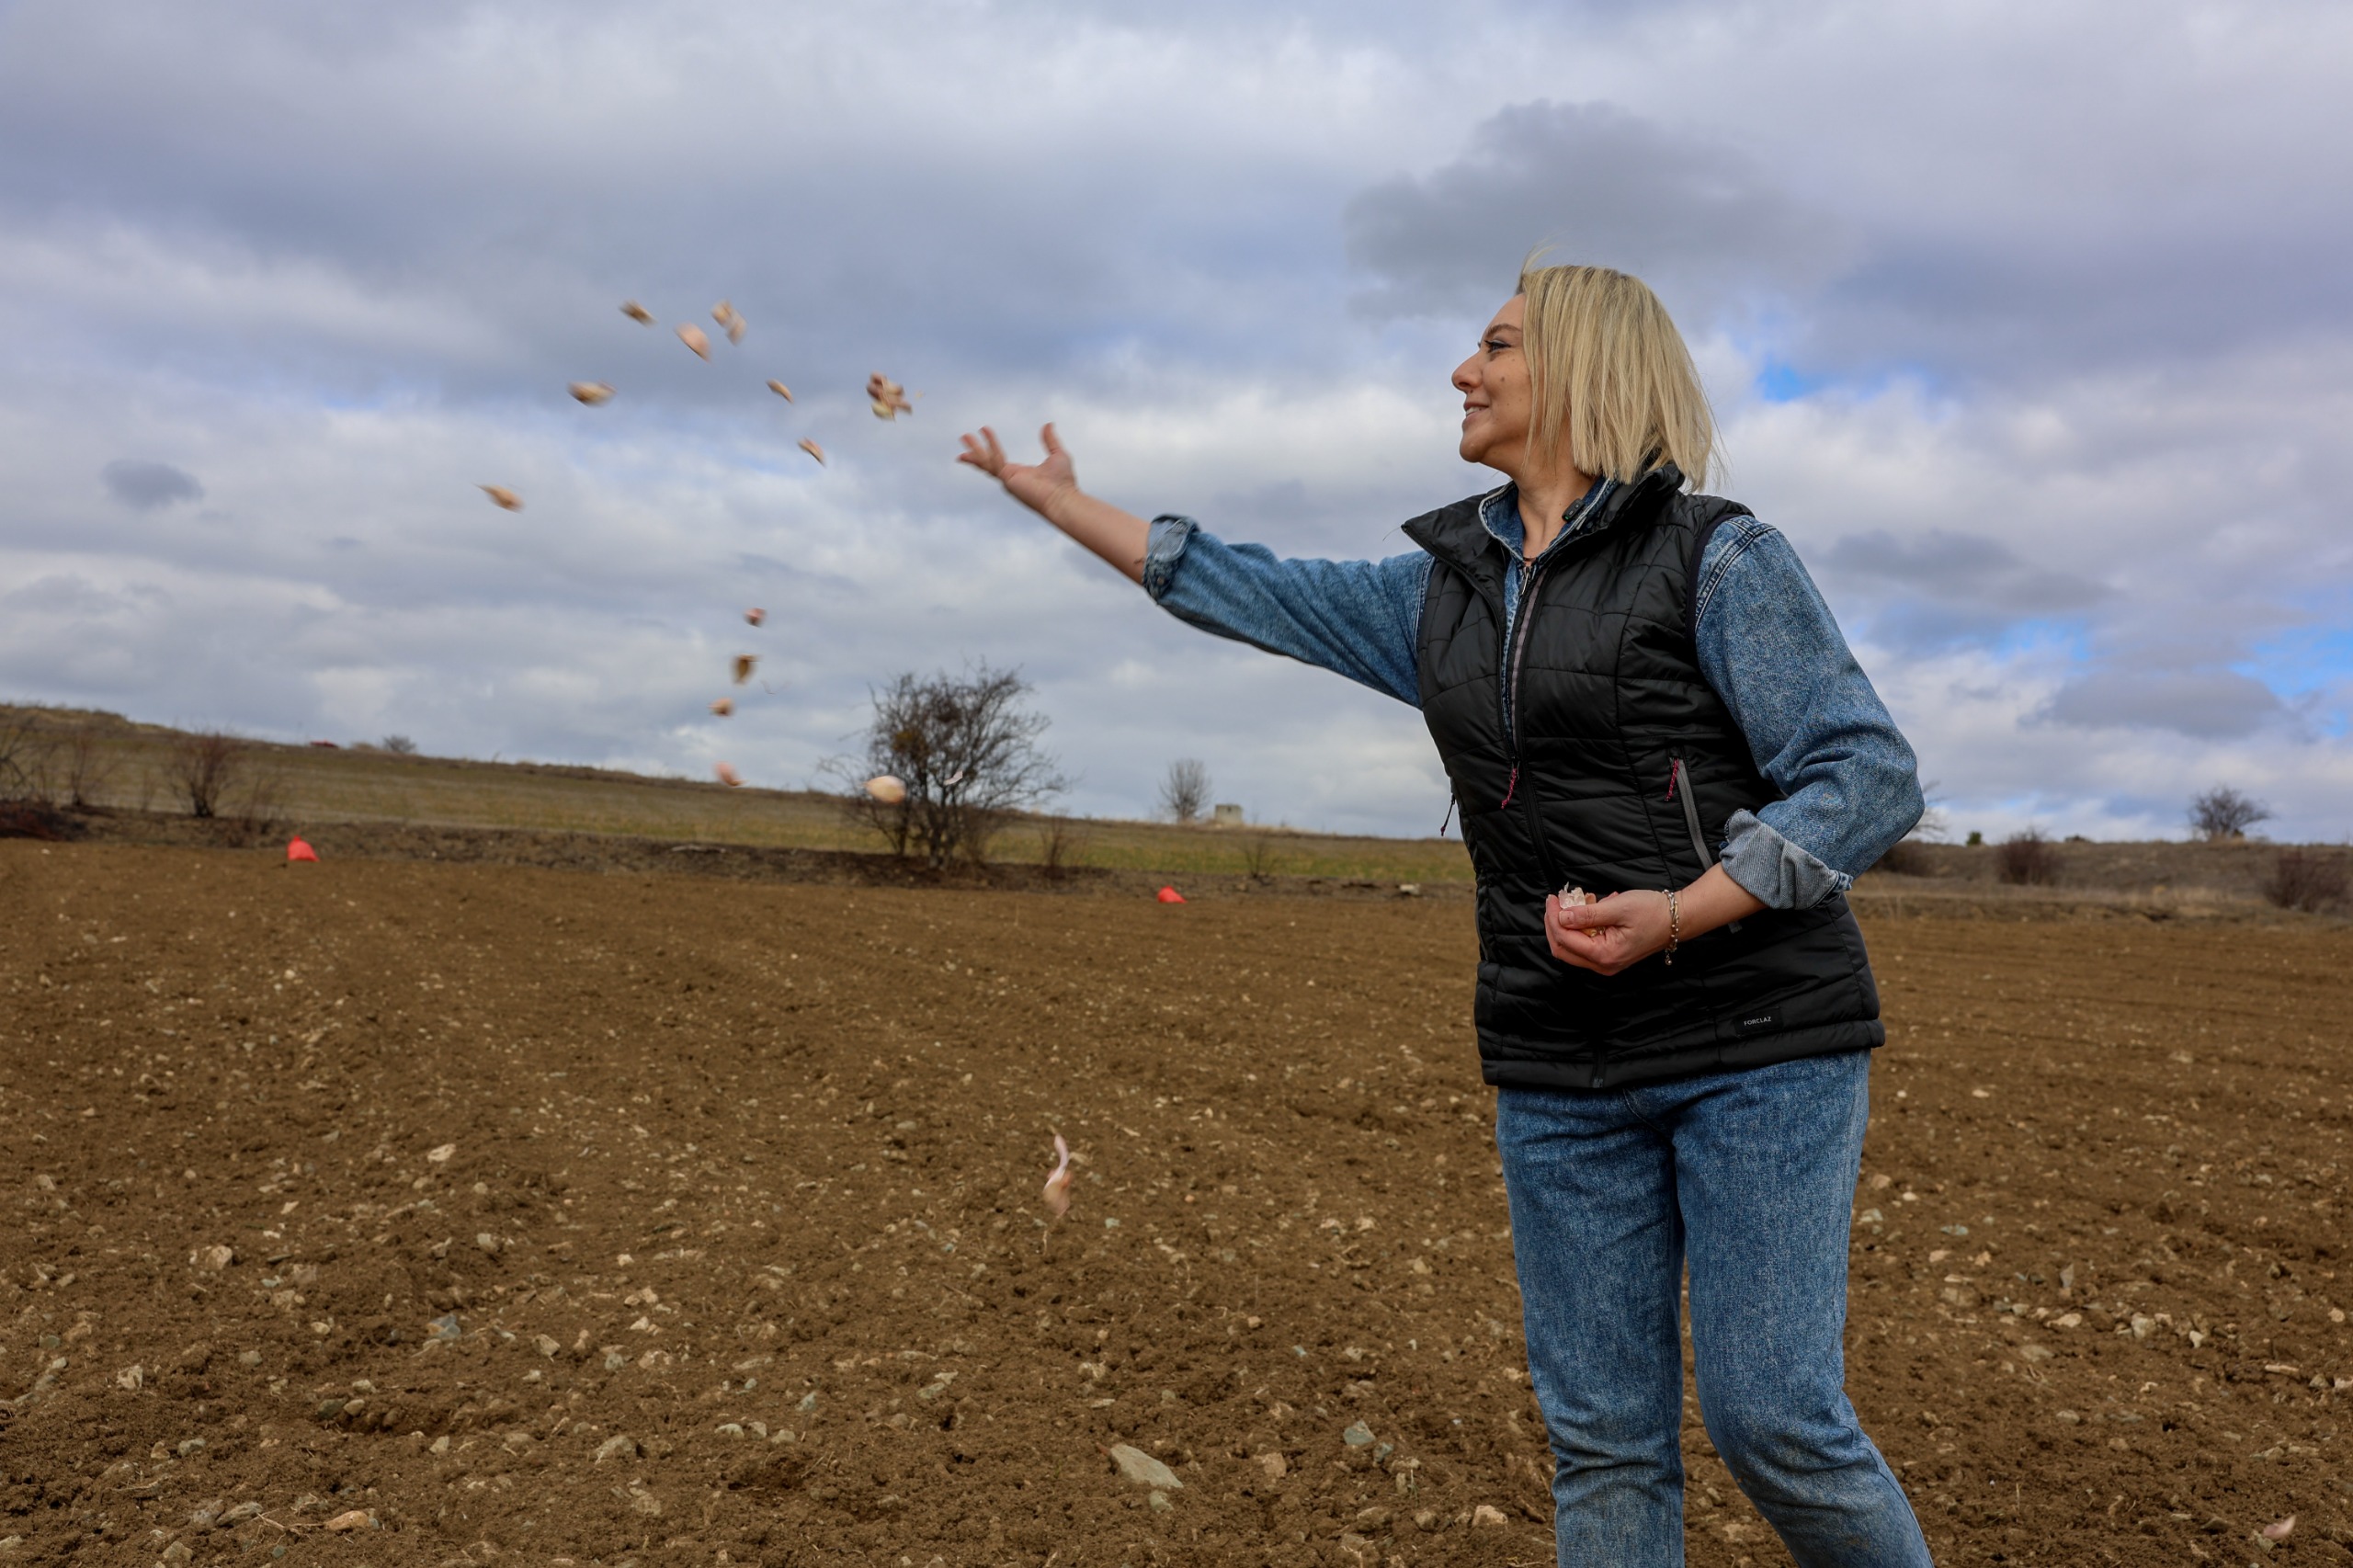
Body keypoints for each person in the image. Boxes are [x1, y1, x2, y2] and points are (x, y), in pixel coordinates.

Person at [959, 261, 1931, 1568]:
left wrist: (1685, 910)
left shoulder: (1720, 558)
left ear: (1585, 369)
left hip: (1755, 1041)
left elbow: (1868, 771)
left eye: (1495, 346)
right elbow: (1254, 589)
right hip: (1561, 1059)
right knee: (1604, 1447)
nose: (1463, 372)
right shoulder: (1443, 593)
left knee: (1776, 1423)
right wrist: (1059, 500)